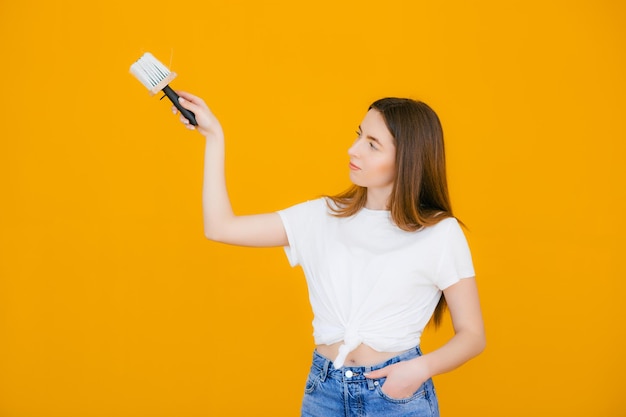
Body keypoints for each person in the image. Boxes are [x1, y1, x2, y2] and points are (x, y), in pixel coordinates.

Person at [172, 92, 486, 417]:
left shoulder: (440, 234)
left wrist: (419, 369)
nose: (354, 149)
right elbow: (220, 227)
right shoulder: (323, 216)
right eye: (359, 135)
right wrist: (214, 137)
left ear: (407, 158)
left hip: (396, 398)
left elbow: (473, 335)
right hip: (325, 393)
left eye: (372, 144)